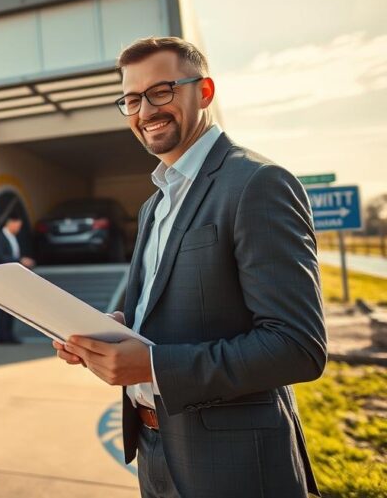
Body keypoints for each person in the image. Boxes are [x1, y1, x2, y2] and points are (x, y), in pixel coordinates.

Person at [53, 37, 326, 497]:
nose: (145, 111)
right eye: (132, 99)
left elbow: (297, 345)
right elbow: (159, 314)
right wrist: (112, 331)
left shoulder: (258, 184)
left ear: (204, 92)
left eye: (162, 91)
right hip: (155, 452)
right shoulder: (153, 205)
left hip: (236, 467)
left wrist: (154, 366)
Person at [0, 213, 35, 344]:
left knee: (11, 308)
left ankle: (8, 335)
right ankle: (3, 336)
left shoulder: (12, 238)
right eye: (18, 225)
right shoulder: (0, 238)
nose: (19, 228)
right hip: (3, 278)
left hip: (12, 278)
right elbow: (0, 258)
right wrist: (20, 260)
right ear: (10, 223)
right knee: (4, 308)